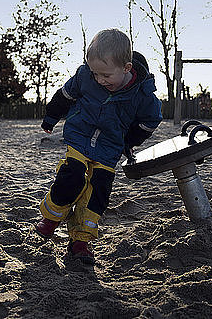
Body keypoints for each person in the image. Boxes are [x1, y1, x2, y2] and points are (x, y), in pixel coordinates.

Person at [34, 28, 162, 265]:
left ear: (126, 68)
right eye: (95, 74)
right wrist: (51, 117)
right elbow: (65, 95)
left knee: (97, 192)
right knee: (72, 176)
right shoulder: (85, 77)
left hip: (109, 148)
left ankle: (80, 241)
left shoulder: (142, 94)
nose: (100, 80)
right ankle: (52, 218)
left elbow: (150, 121)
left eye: (105, 75)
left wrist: (129, 142)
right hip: (80, 137)